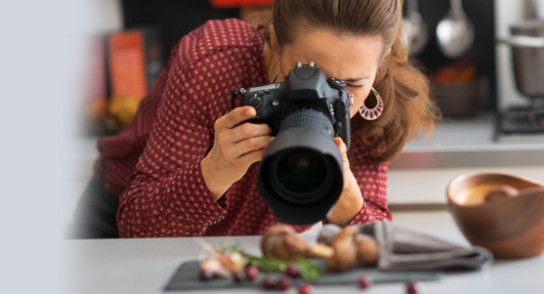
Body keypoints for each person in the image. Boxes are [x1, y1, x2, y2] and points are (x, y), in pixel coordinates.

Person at [70, 0, 439, 238]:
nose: (328, 98)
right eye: (307, 73)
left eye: (352, 84)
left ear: (381, 63)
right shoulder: (213, 62)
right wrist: (211, 172)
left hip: (247, 256)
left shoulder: (375, 108)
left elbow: (378, 253)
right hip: (113, 225)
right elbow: (137, 229)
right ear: (275, 42)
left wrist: (351, 211)